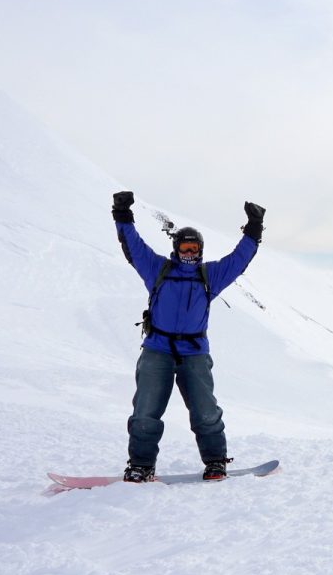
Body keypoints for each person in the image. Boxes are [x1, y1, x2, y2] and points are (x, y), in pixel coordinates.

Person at [111, 191, 266, 482]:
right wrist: (122, 213)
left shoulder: (210, 276)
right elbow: (133, 246)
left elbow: (239, 259)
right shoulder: (157, 269)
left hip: (194, 353)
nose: (189, 253)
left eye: (194, 248)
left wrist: (254, 227)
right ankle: (141, 465)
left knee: (206, 412)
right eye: (185, 247)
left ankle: (216, 462)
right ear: (176, 248)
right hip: (157, 349)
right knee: (145, 412)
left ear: (201, 250)